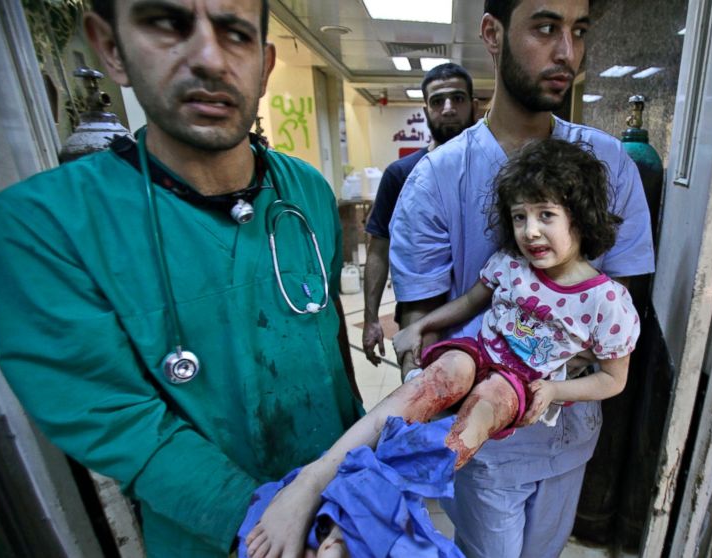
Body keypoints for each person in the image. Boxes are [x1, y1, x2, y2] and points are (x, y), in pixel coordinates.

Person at [0, 0, 363, 556]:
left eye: (234, 33)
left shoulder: (304, 189)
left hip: (346, 510)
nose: (210, 58)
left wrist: (361, 480)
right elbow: (117, 421)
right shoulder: (41, 225)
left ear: (263, 64)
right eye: (168, 24)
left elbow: (330, 341)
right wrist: (269, 531)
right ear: (111, 48)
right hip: (210, 536)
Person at [245, 138, 641, 558]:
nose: (530, 231)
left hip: (519, 381)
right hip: (478, 349)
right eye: (520, 216)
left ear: (580, 217)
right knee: (438, 378)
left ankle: (367, 510)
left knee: (483, 410)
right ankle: (323, 478)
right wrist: (422, 328)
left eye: (546, 215)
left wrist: (556, 391)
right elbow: (469, 303)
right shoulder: (511, 264)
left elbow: (613, 380)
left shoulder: (606, 301)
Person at [388, 0, 655, 555]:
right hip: (484, 445)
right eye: (545, 28)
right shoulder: (436, 181)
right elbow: (428, 324)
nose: (567, 52)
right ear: (492, 32)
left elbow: (618, 309)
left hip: (571, 431)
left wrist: (556, 382)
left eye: (578, 32)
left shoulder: (610, 164)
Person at [361, 63, 477, 366]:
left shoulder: (493, 169)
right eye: (438, 101)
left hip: (484, 317)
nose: (448, 109)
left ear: (473, 104)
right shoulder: (401, 174)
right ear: (425, 109)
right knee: (421, 401)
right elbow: (379, 248)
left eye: (458, 99)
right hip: (419, 316)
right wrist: (371, 317)